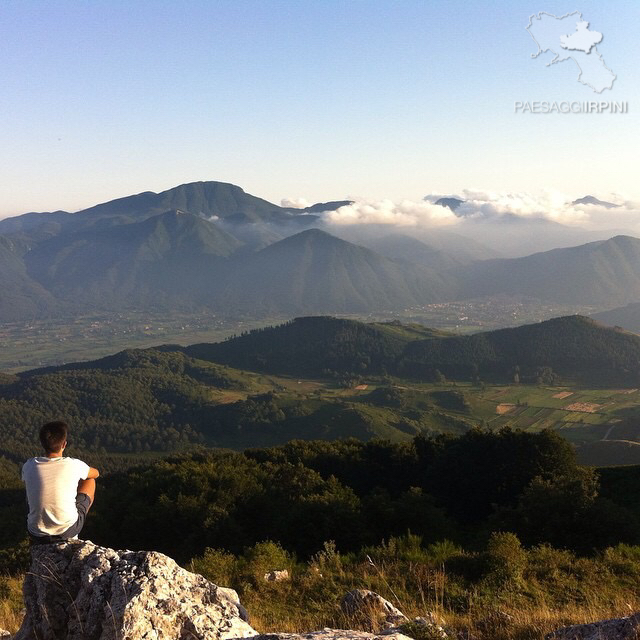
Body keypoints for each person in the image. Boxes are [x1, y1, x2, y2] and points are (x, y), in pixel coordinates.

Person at [21, 421, 100, 543]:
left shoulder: (28, 465)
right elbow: (96, 473)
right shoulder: (73, 464)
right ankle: (74, 531)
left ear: (43, 444)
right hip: (67, 530)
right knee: (90, 480)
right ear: (64, 444)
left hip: (36, 532)